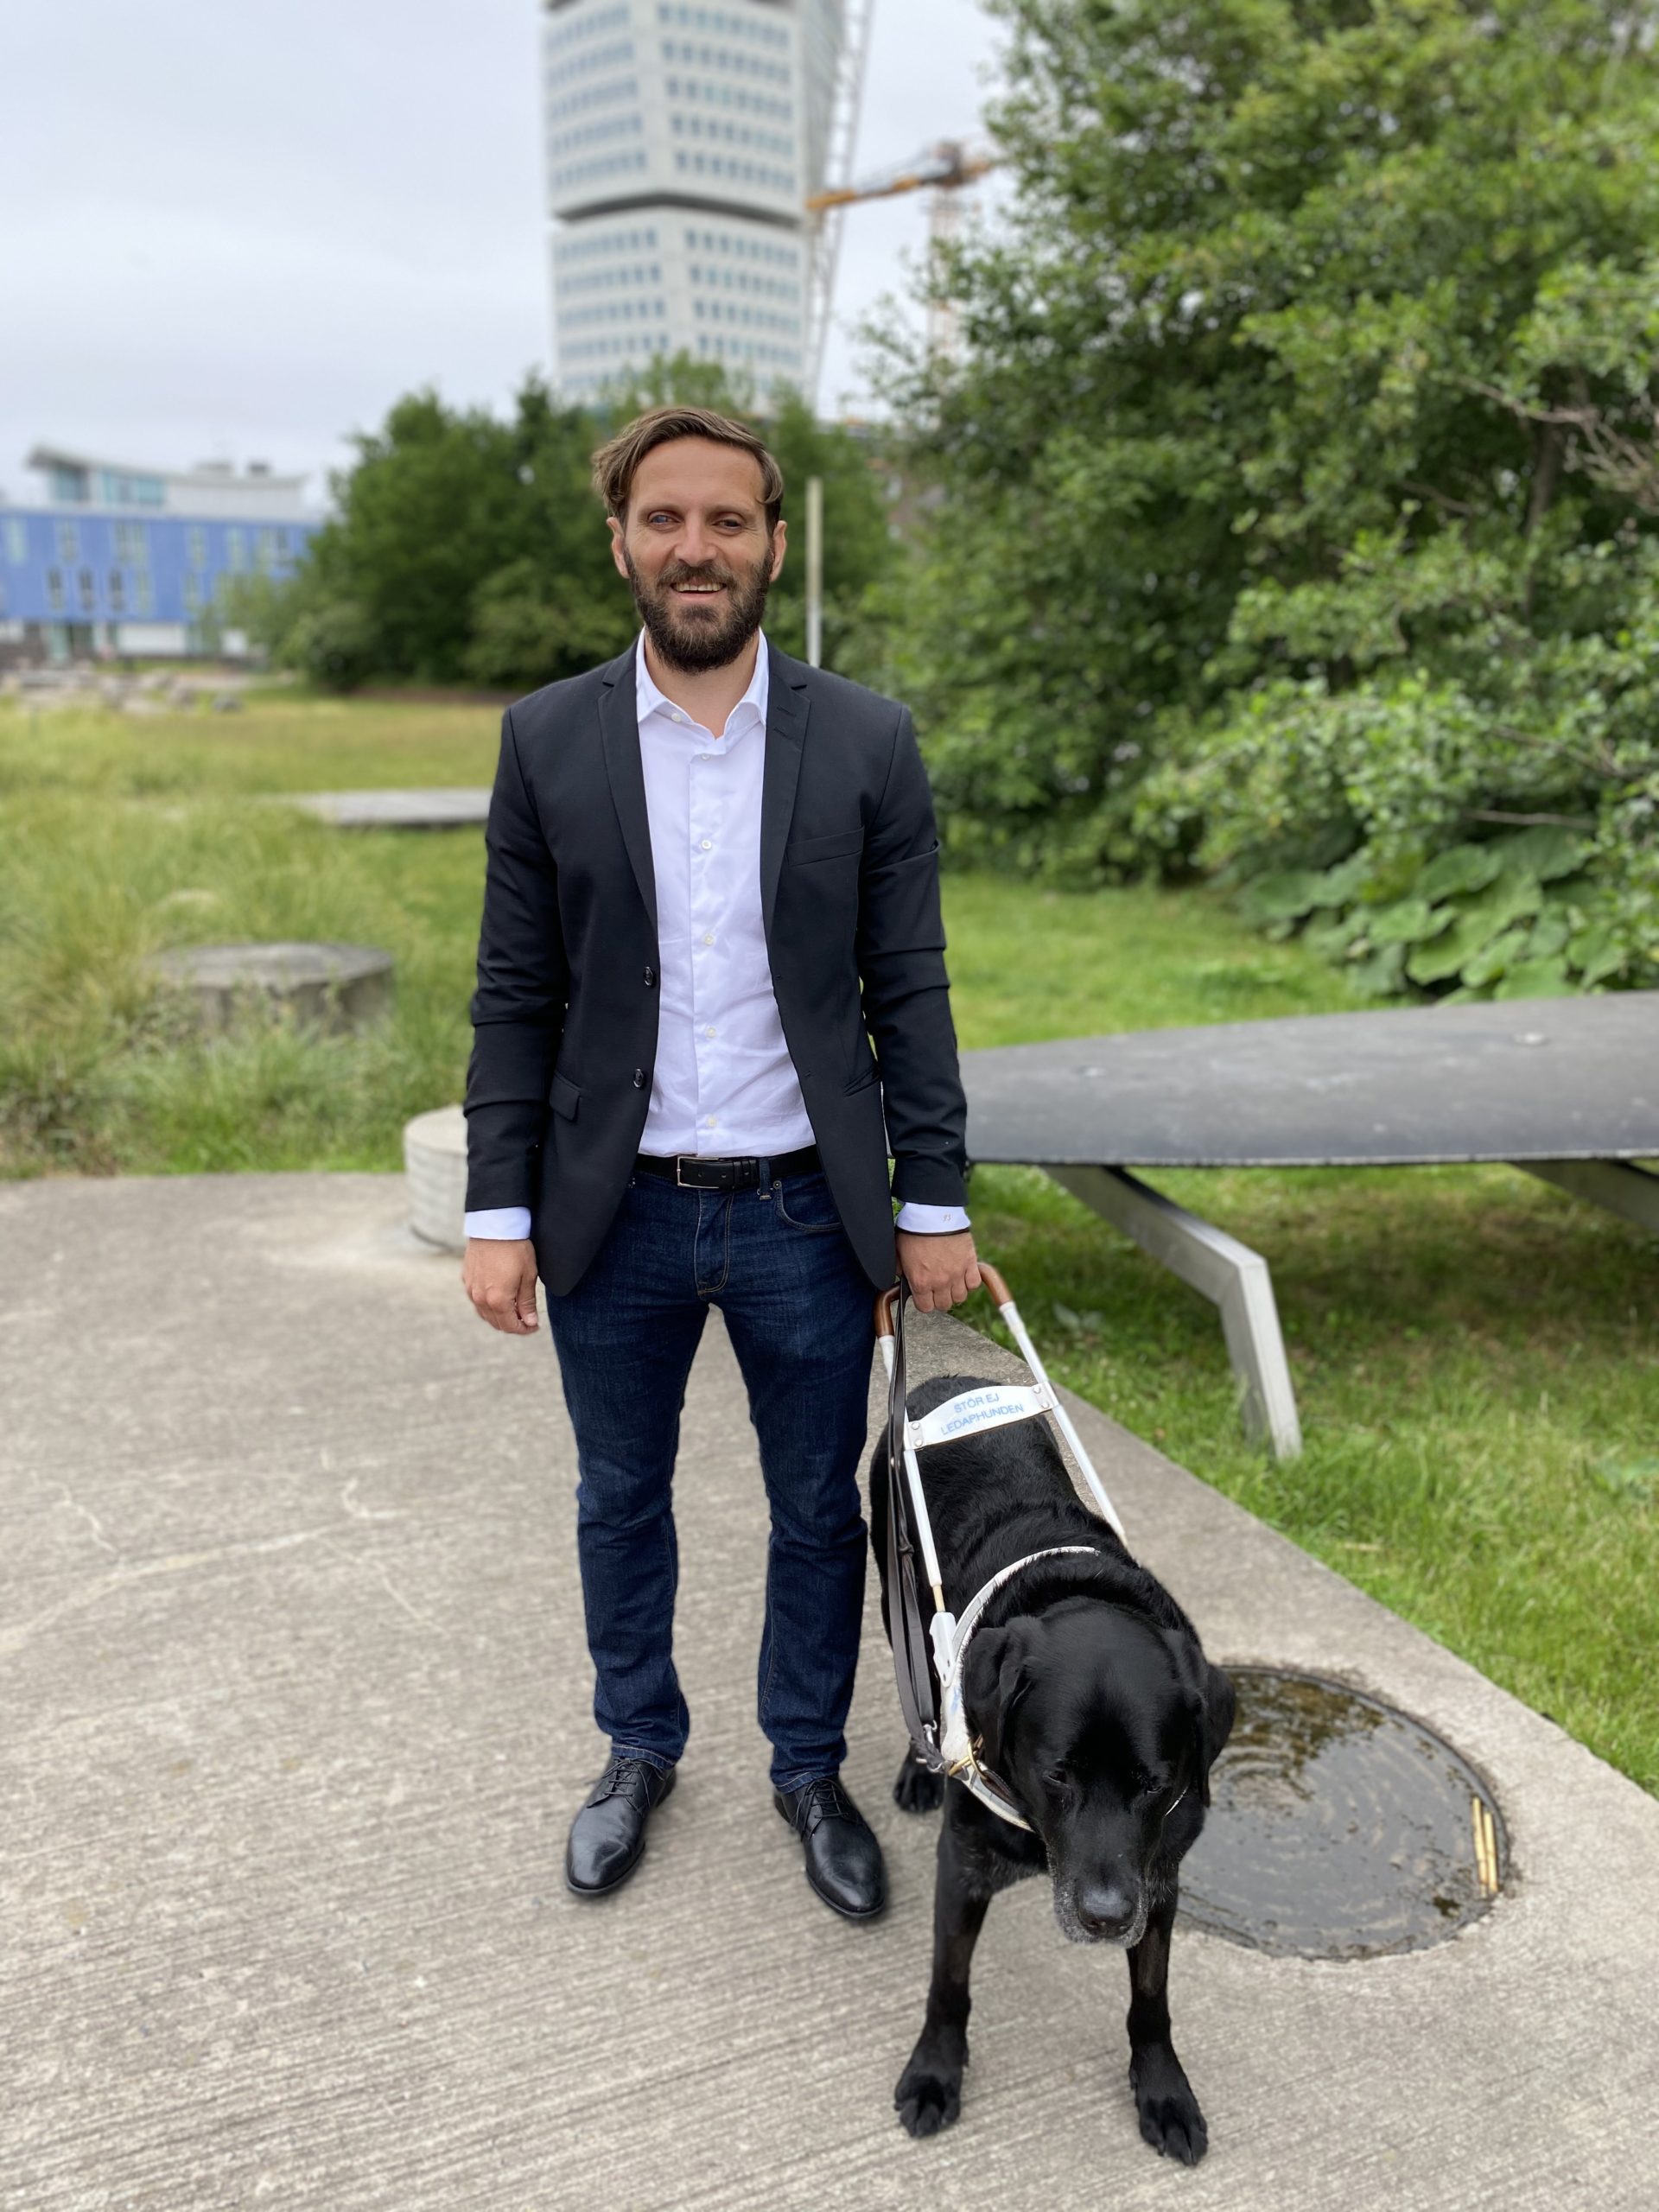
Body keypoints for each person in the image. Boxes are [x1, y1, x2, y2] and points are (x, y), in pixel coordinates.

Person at [461, 404, 978, 1920]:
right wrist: (500, 1210)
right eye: (666, 519)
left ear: (772, 540)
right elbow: (515, 995)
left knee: (819, 1508)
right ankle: (637, 1746)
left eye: (728, 521)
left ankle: (808, 1764)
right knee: (620, 1496)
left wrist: (930, 1204)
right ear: (620, 539)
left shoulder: (866, 739)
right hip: (608, 1217)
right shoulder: (546, 739)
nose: (698, 548)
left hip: (806, 1215)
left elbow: (912, 988)